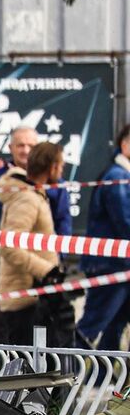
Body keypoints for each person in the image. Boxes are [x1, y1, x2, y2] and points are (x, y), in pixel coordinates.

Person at [0, 127, 70, 332]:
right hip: (9, 271)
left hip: (37, 275)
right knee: (7, 333)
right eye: (20, 145)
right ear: (10, 148)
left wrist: (56, 259)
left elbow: (62, 220)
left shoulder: (50, 186)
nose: (26, 151)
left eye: (31, 146)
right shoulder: (8, 187)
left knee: (43, 341)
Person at [0, 141, 73, 347]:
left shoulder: (34, 194)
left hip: (35, 296)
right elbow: (8, 245)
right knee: (31, 371)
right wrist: (46, 270)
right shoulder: (26, 199)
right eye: (61, 165)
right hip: (25, 300)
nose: (62, 170)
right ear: (52, 167)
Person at [78, 124, 130, 351]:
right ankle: (70, 377)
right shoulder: (117, 177)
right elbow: (125, 221)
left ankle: (103, 380)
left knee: (116, 324)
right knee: (93, 325)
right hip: (110, 266)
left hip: (121, 266)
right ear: (125, 145)